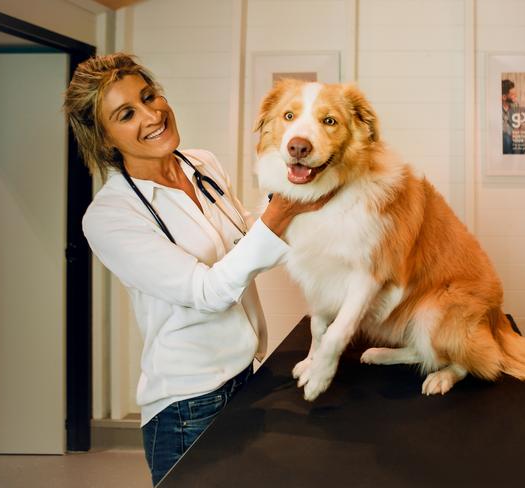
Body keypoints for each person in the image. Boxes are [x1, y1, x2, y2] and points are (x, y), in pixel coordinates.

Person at [64, 53, 333, 486]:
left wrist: (318, 212)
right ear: (104, 138)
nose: (153, 115)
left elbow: (243, 233)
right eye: (127, 113)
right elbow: (208, 291)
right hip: (188, 406)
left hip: (247, 374)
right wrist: (282, 213)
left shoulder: (201, 163)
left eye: (149, 96)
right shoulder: (109, 216)